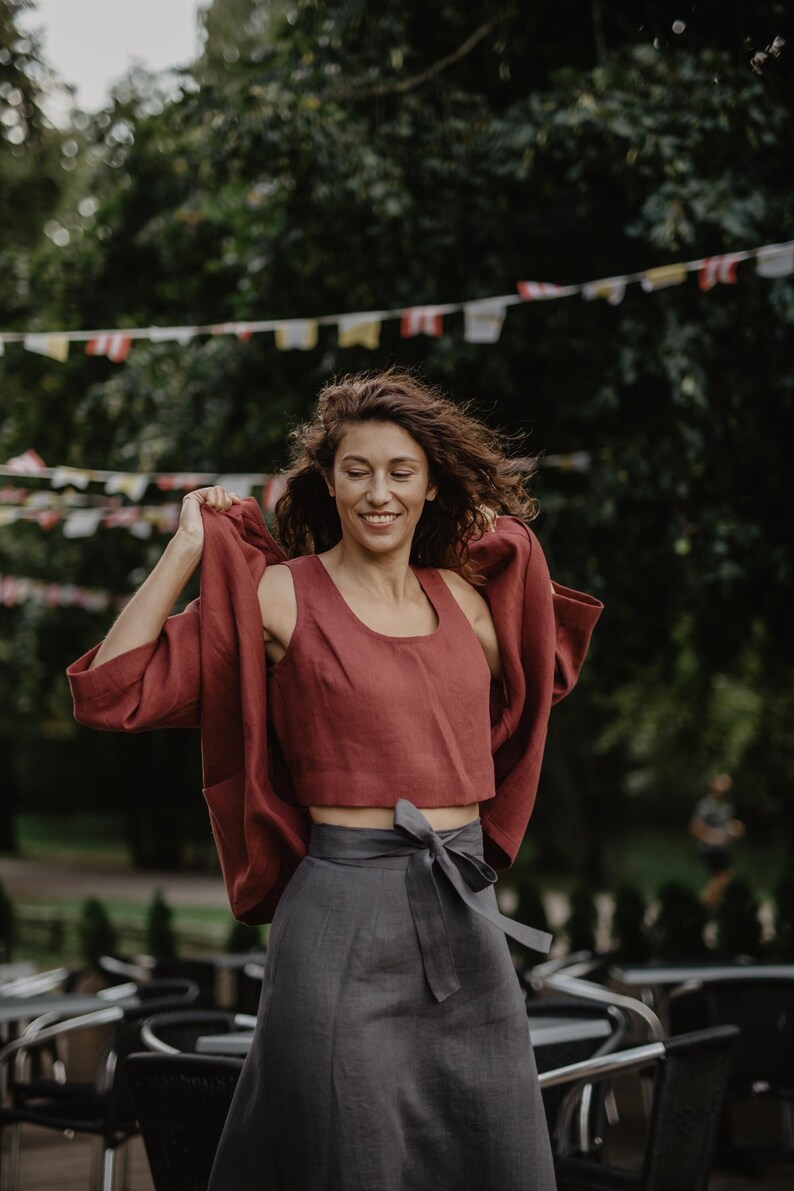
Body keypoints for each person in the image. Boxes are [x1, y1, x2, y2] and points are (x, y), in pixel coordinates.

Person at [66, 368, 603, 1191]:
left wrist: (501, 542)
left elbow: (543, 672)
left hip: (465, 915)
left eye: (401, 471)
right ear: (329, 481)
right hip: (339, 918)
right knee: (344, 1160)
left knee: (501, 1158)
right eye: (357, 469)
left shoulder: (462, 600)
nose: (378, 491)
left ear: (430, 486)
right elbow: (114, 689)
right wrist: (185, 551)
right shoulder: (281, 595)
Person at [689, 772, 745, 908]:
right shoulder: (706, 805)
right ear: (713, 785)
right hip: (710, 848)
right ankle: (701, 906)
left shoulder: (727, 806)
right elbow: (695, 827)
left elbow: (729, 827)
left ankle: (709, 907)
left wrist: (735, 830)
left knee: (723, 879)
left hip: (724, 848)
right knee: (722, 878)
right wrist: (712, 836)